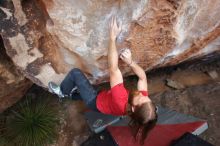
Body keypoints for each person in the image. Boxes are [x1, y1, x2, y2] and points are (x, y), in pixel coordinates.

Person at [48, 16, 157, 145]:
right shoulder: (141, 103)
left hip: (94, 101)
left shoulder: (120, 99)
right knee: (81, 92)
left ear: (133, 108)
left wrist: (112, 37)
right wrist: (131, 62)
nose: (142, 94)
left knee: (75, 74)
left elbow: (113, 69)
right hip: (104, 99)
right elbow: (143, 77)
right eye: (146, 97)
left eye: (141, 97)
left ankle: (62, 92)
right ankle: (72, 94)